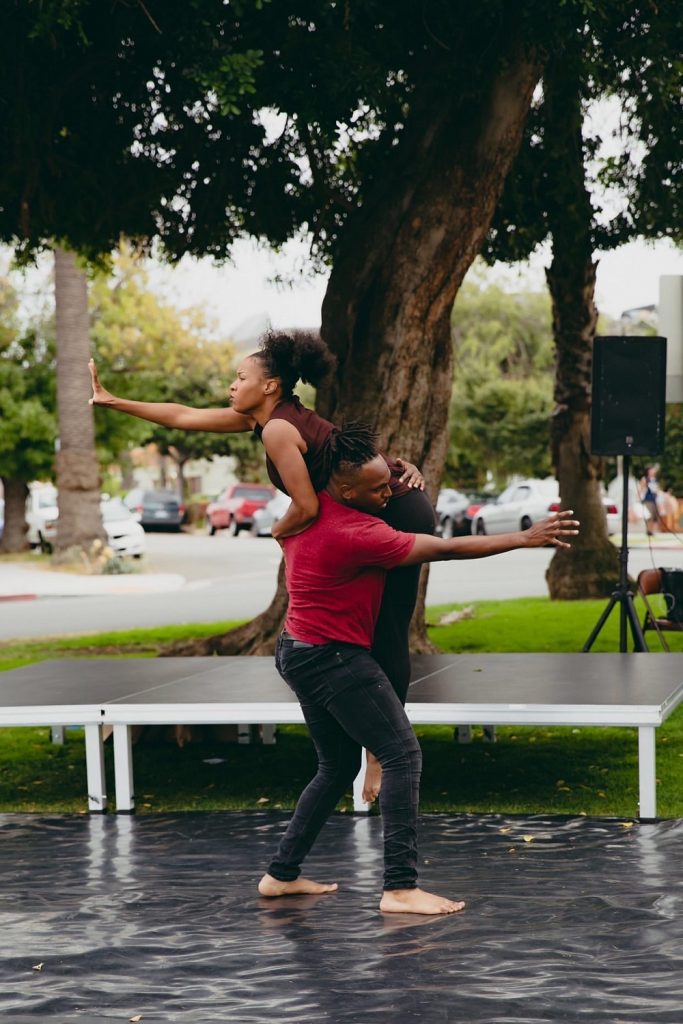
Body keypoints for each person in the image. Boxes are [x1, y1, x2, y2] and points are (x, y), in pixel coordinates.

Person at [89, 332, 435, 801]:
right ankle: (370, 743)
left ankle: (379, 753)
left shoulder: (278, 429)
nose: (233, 386)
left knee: (385, 629)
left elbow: (308, 506)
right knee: (360, 628)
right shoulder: (268, 421)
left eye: (241, 377)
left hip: (396, 510)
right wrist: (113, 401)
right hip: (372, 509)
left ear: (270, 385)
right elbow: (184, 416)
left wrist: (279, 530)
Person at [258, 425, 580, 914]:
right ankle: (400, 887)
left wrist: (399, 465)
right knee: (402, 754)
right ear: (346, 490)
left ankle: (280, 876)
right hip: (331, 657)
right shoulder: (357, 533)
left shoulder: (308, 510)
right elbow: (446, 549)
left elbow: (324, 444)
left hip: (296, 649)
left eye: (390, 481)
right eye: (379, 489)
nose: (390, 494)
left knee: (336, 765)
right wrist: (525, 537)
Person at [638, 466, 659, 535]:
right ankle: (648, 531)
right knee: (649, 516)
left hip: (654, 500)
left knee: (655, 516)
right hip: (647, 500)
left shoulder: (655, 480)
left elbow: (657, 490)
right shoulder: (645, 479)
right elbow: (641, 489)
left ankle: (652, 531)